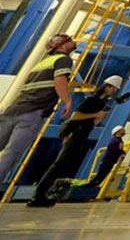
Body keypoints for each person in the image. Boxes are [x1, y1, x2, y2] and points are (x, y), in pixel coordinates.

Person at [28, 74, 123, 206]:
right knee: (58, 165)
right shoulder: (92, 100)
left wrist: (99, 116)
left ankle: (45, 194)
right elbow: (75, 116)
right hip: (74, 135)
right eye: (113, 88)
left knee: (62, 166)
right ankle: (38, 196)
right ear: (107, 86)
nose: (113, 91)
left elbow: (93, 122)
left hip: (80, 136)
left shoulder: (100, 103)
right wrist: (96, 114)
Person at [0, 33, 76, 185]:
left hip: (13, 109)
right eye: (70, 40)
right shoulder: (64, 59)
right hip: (32, 113)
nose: (74, 42)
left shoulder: (43, 62)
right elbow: (59, 80)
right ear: (61, 46)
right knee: (11, 153)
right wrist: (67, 101)